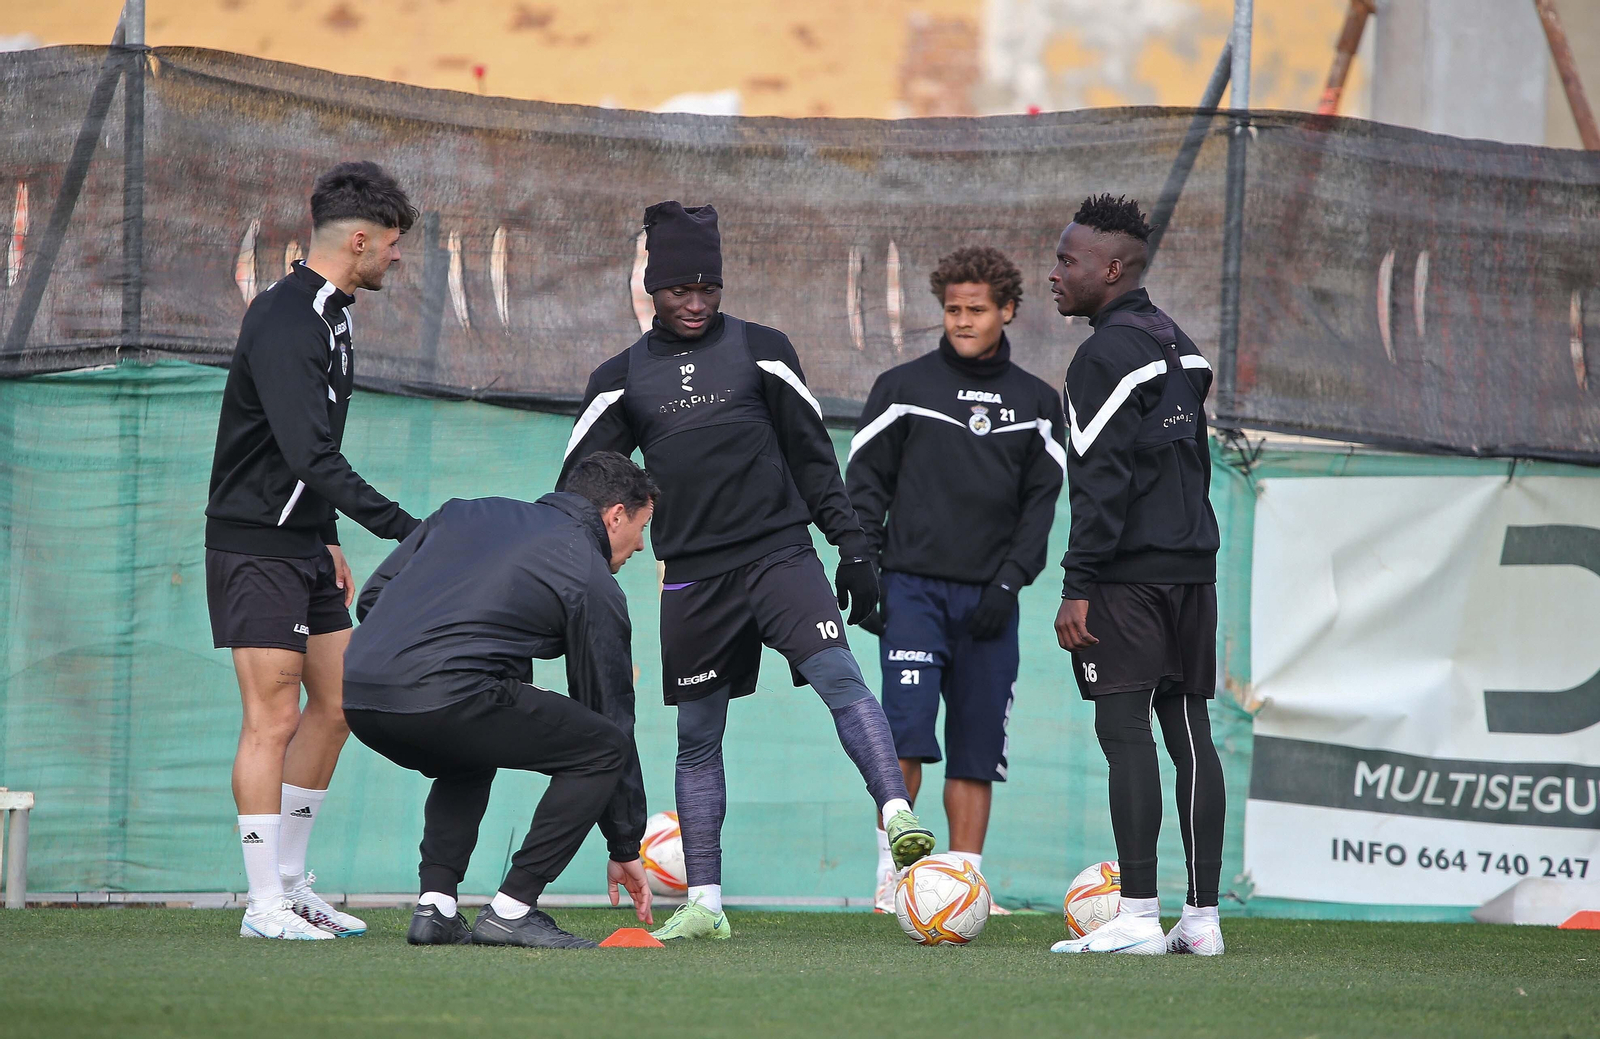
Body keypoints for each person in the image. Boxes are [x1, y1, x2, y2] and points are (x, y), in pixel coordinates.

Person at [559, 201, 935, 941]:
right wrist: (582, 572)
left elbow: (812, 457)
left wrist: (853, 547)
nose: (695, 303)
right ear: (650, 287)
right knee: (698, 737)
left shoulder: (764, 350)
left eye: (709, 287)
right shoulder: (621, 378)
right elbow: (580, 481)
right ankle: (705, 902)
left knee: (841, 679)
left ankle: (897, 815)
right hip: (693, 579)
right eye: (678, 290)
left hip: (780, 556)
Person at [205, 161, 420, 940]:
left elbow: (311, 446)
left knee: (338, 703)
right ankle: (262, 904)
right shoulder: (287, 317)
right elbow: (308, 455)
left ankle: (292, 885)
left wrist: (326, 534)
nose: (397, 258)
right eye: (393, 245)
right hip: (254, 542)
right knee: (273, 715)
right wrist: (408, 528)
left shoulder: (337, 312)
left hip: (301, 541)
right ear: (358, 239)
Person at [343, 451, 657, 949]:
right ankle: (512, 910)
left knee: (471, 747)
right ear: (616, 514)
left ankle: (436, 908)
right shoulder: (591, 577)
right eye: (641, 528)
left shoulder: (463, 511)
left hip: (359, 694)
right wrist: (623, 841)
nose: (640, 546)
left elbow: (374, 597)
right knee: (603, 748)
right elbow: (609, 712)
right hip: (445, 698)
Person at [846, 246, 1065, 912]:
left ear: (1007, 311)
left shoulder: (1038, 401)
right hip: (911, 590)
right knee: (905, 735)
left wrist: (1008, 584)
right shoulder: (903, 387)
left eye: (977, 310)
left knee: (976, 746)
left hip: (990, 602)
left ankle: (965, 881)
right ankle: (896, 878)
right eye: (952, 310)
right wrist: (868, 569)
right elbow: (864, 486)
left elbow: (1041, 507)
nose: (963, 321)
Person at [1046, 194, 1226, 956]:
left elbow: (1100, 482)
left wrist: (1076, 584)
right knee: (1189, 733)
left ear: (1111, 269)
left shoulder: (1103, 356)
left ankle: (1140, 916)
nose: (1055, 273)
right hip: (1193, 569)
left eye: (1068, 260)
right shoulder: (1179, 342)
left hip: (1128, 580)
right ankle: (1203, 919)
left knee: (1125, 733)